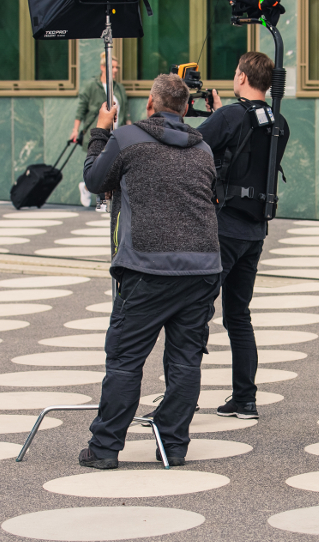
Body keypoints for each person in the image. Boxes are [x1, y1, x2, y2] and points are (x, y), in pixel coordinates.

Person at [78, 73, 222, 469]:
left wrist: (99, 132)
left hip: (146, 268)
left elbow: (93, 179)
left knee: (125, 359)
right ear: (185, 108)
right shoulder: (204, 148)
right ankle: (173, 446)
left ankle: (105, 448)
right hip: (203, 268)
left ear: (150, 105)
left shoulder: (126, 138)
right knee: (185, 360)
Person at [196, 51, 289, 420]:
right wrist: (221, 112)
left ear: (242, 77)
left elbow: (195, 146)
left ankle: (181, 398)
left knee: (195, 311)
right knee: (238, 315)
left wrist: (218, 114)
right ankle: (245, 398)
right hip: (255, 230)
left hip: (223, 227)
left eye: (236, 72)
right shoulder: (278, 120)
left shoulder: (231, 116)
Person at [70, 52, 129, 207]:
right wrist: (75, 130)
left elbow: (125, 111)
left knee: (110, 167)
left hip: (116, 135)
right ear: (103, 67)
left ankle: (94, 193)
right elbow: (81, 109)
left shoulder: (119, 88)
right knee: (100, 166)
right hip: (99, 133)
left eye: (117, 67)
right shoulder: (92, 86)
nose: (116, 70)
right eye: (113, 67)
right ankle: (99, 200)